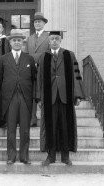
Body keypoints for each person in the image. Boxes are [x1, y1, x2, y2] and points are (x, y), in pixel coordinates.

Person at [36, 31, 85, 166]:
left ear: (60, 40)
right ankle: (50, 157)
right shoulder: (43, 57)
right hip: (49, 96)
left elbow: (76, 75)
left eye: (57, 39)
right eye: (52, 39)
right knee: (50, 126)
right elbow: (39, 78)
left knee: (65, 126)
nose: (54, 41)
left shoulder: (69, 55)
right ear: (49, 41)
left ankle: (65, 157)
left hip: (66, 96)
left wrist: (77, 95)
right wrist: (39, 98)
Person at [0, 29, 37, 165]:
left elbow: (34, 78)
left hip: (25, 97)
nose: (17, 42)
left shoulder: (29, 58)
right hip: (10, 98)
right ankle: (11, 156)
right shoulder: (3, 59)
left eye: (19, 40)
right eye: (14, 40)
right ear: (10, 42)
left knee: (25, 130)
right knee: (11, 129)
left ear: (23, 42)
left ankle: (24, 156)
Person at [24, 12, 50, 127]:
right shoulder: (30, 38)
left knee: (43, 93)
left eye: (40, 21)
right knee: (32, 94)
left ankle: (45, 120)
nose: (37, 23)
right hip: (31, 70)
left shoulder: (49, 37)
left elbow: (49, 53)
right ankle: (32, 119)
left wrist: (36, 59)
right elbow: (25, 54)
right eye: (35, 22)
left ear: (44, 23)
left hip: (44, 69)